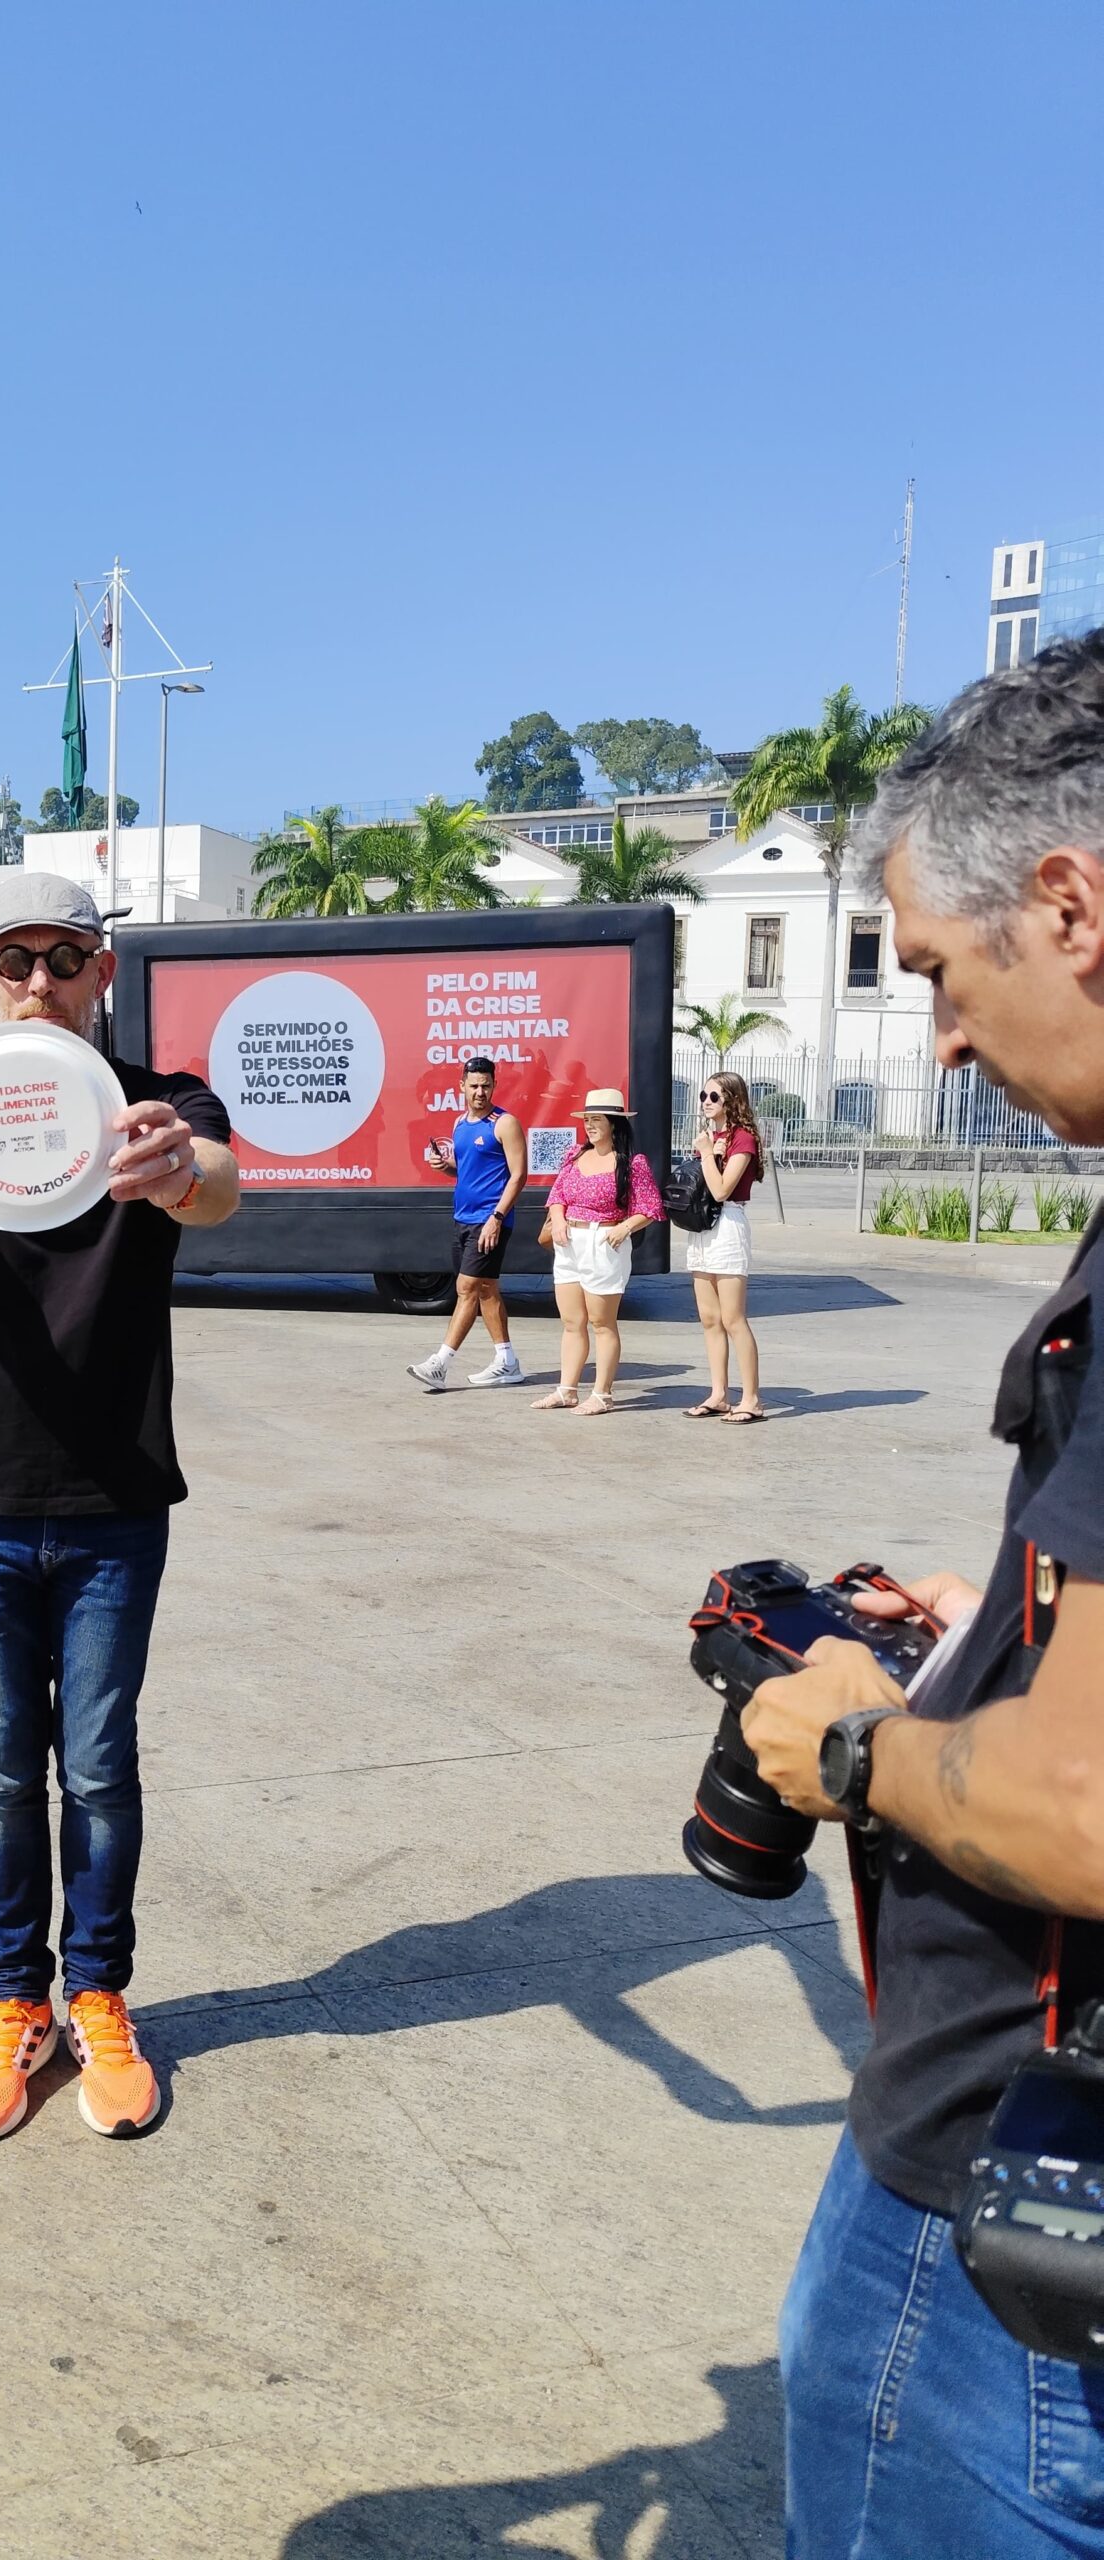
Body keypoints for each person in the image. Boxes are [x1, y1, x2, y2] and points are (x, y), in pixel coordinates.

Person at [738, 631, 1104, 2557]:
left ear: (1071, 905)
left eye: (946, 976)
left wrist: (863, 1746)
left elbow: (1091, 1806)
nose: (947, 1042)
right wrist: (1018, 1631)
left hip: (1017, 2219)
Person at [0, 874, 240, 2145]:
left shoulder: (156, 1106)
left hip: (117, 1491)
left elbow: (217, 1180)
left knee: (104, 1764)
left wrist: (179, 1171)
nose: (38, 982)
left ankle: (98, 1991)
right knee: (5, 1767)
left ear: (101, 971)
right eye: (12, 960)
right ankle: (16, 1996)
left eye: (65, 957)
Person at [529, 1088, 665, 1415]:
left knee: (602, 1322)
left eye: (596, 1120)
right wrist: (558, 1220)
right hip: (569, 1242)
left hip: (603, 1242)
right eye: (587, 1119)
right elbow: (557, 1195)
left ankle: (602, 1394)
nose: (589, 1125)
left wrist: (624, 1227)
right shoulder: (576, 1155)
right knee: (571, 1321)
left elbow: (651, 1208)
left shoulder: (631, 1163)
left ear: (614, 1123)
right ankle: (567, 1390)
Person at [407, 1055, 526, 1390]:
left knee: (466, 1288)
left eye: (486, 1085)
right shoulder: (460, 1124)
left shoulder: (504, 1124)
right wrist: (445, 1167)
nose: (480, 1092)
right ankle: (507, 1362)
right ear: (461, 1086)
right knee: (486, 1289)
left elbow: (518, 1176)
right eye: (474, 1086)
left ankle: (440, 1364)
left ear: (494, 1086)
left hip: (489, 1222)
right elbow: (467, 1173)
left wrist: (496, 1218)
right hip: (462, 1219)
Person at [683, 1067, 766, 1422]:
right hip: (703, 1226)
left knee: (733, 1318)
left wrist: (706, 1154)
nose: (706, 1101)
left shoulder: (743, 1139)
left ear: (732, 1100)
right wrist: (707, 1152)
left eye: (714, 1096)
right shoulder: (712, 1137)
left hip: (728, 1222)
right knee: (709, 1318)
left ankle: (751, 1399)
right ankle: (719, 1394)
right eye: (703, 1095)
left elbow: (721, 1190)